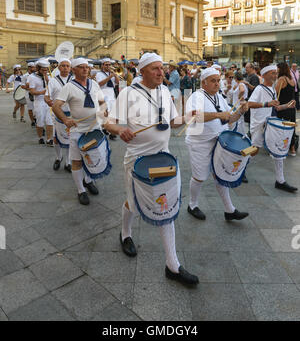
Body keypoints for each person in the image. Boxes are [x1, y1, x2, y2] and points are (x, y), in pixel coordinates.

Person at [104, 52, 199, 286]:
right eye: (155, 68)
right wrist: (120, 131)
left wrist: (187, 117)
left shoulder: (165, 92)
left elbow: (172, 121)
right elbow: (108, 122)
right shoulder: (128, 93)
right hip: (137, 159)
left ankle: (172, 265)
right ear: (142, 71)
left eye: (162, 68)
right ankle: (125, 233)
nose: (161, 72)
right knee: (133, 203)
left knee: (165, 208)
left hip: (163, 157)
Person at [185, 67, 249, 222]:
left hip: (219, 142)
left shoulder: (219, 97)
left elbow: (229, 118)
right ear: (203, 82)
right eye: (213, 81)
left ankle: (229, 210)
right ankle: (192, 205)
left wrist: (241, 111)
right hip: (199, 143)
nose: (217, 84)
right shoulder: (195, 96)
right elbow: (192, 117)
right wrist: (217, 115)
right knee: (199, 177)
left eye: (218, 80)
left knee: (220, 175)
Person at [53, 58, 106, 205]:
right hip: (77, 130)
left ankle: (88, 181)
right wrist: (65, 119)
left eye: (87, 67)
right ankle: (81, 190)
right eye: (81, 67)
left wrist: (103, 111)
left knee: (92, 158)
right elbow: (56, 106)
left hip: (94, 128)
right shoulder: (69, 87)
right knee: (77, 161)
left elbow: (101, 101)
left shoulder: (94, 83)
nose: (85, 70)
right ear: (74, 70)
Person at [248, 65, 297, 193]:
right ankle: (240, 166)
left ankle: (280, 180)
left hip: (271, 124)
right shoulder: (259, 89)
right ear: (264, 75)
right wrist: (266, 104)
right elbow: (249, 104)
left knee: (278, 150)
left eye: (276, 73)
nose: (275, 76)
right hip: (259, 124)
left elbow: (275, 107)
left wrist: (286, 105)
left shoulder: (274, 90)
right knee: (254, 149)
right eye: (272, 73)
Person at [45, 58, 73, 171]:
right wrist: (47, 100)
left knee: (71, 138)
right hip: (57, 112)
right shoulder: (53, 81)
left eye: (67, 66)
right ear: (59, 67)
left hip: (72, 113)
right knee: (56, 138)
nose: (65, 68)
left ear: (70, 68)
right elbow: (47, 95)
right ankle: (58, 157)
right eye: (63, 65)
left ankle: (68, 162)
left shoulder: (75, 80)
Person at [28, 59, 54, 145]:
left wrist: (47, 78)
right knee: (40, 121)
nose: (45, 71)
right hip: (39, 101)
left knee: (50, 120)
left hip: (49, 101)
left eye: (46, 70)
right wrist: (42, 92)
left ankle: (49, 139)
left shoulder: (49, 76)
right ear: (38, 69)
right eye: (43, 70)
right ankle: (40, 137)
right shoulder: (32, 77)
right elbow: (31, 91)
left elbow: (52, 87)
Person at [275, 62, 297, 157]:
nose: (276, 70)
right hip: (291, 107)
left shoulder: (281, 79)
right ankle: (292, 149)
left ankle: (281, 148)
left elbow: (275, 93)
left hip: (282, 108)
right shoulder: (291, 79)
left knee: (281, 129)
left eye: (277, 68)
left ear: (281, 69)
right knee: (291, 128)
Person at [96, 58, 119, 140]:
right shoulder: (99, 74)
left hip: (111, 94)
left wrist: (115, 76)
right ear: (102, 65)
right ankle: (106, 129)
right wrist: (109, 77)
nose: (108, 66)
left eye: (109, 65)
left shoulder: (112, 73)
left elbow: (117, 83)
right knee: (106, 115)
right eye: (106, 65)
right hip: (103, 94)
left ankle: (111, 132)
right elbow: (100, 84)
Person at [21, 62, 36, 127]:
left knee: (37, 107)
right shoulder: (25, 76)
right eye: (33, 67)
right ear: (29, 68)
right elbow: (22, 85)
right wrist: (29, 88)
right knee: (30, 108)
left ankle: (36, 119)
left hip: (36, 94)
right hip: (28, 94)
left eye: (35, 67)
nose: (34, 68)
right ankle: (32, 121)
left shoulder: (36, 75)